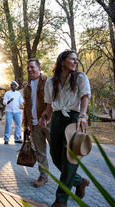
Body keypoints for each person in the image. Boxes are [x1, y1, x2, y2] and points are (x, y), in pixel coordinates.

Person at [40, 50, 91, 207]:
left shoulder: (80, 77)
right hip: (56, 118)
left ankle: (61, 200)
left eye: (77, 59)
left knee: (69, 160)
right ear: (62, 61)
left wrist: (82, 115)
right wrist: (44, 117)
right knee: (56, 157)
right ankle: (79, 181)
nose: (76, 62)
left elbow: (85, 97)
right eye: (72, 59)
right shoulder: (50, 82)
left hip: (74, 118)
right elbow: (49, 105)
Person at [23, 58, 50, 187]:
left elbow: (52, 103)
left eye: (32, 67)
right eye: (28, 68)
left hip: (48, 123)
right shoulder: (27, 87)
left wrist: (45, 117)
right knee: (40, 153)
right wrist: (26, 125)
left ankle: (70, 178)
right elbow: (26, 107)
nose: (29, 70)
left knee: (58, 151)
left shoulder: (48, 82)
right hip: (34, 125)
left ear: (39, 68)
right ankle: (43, 177)